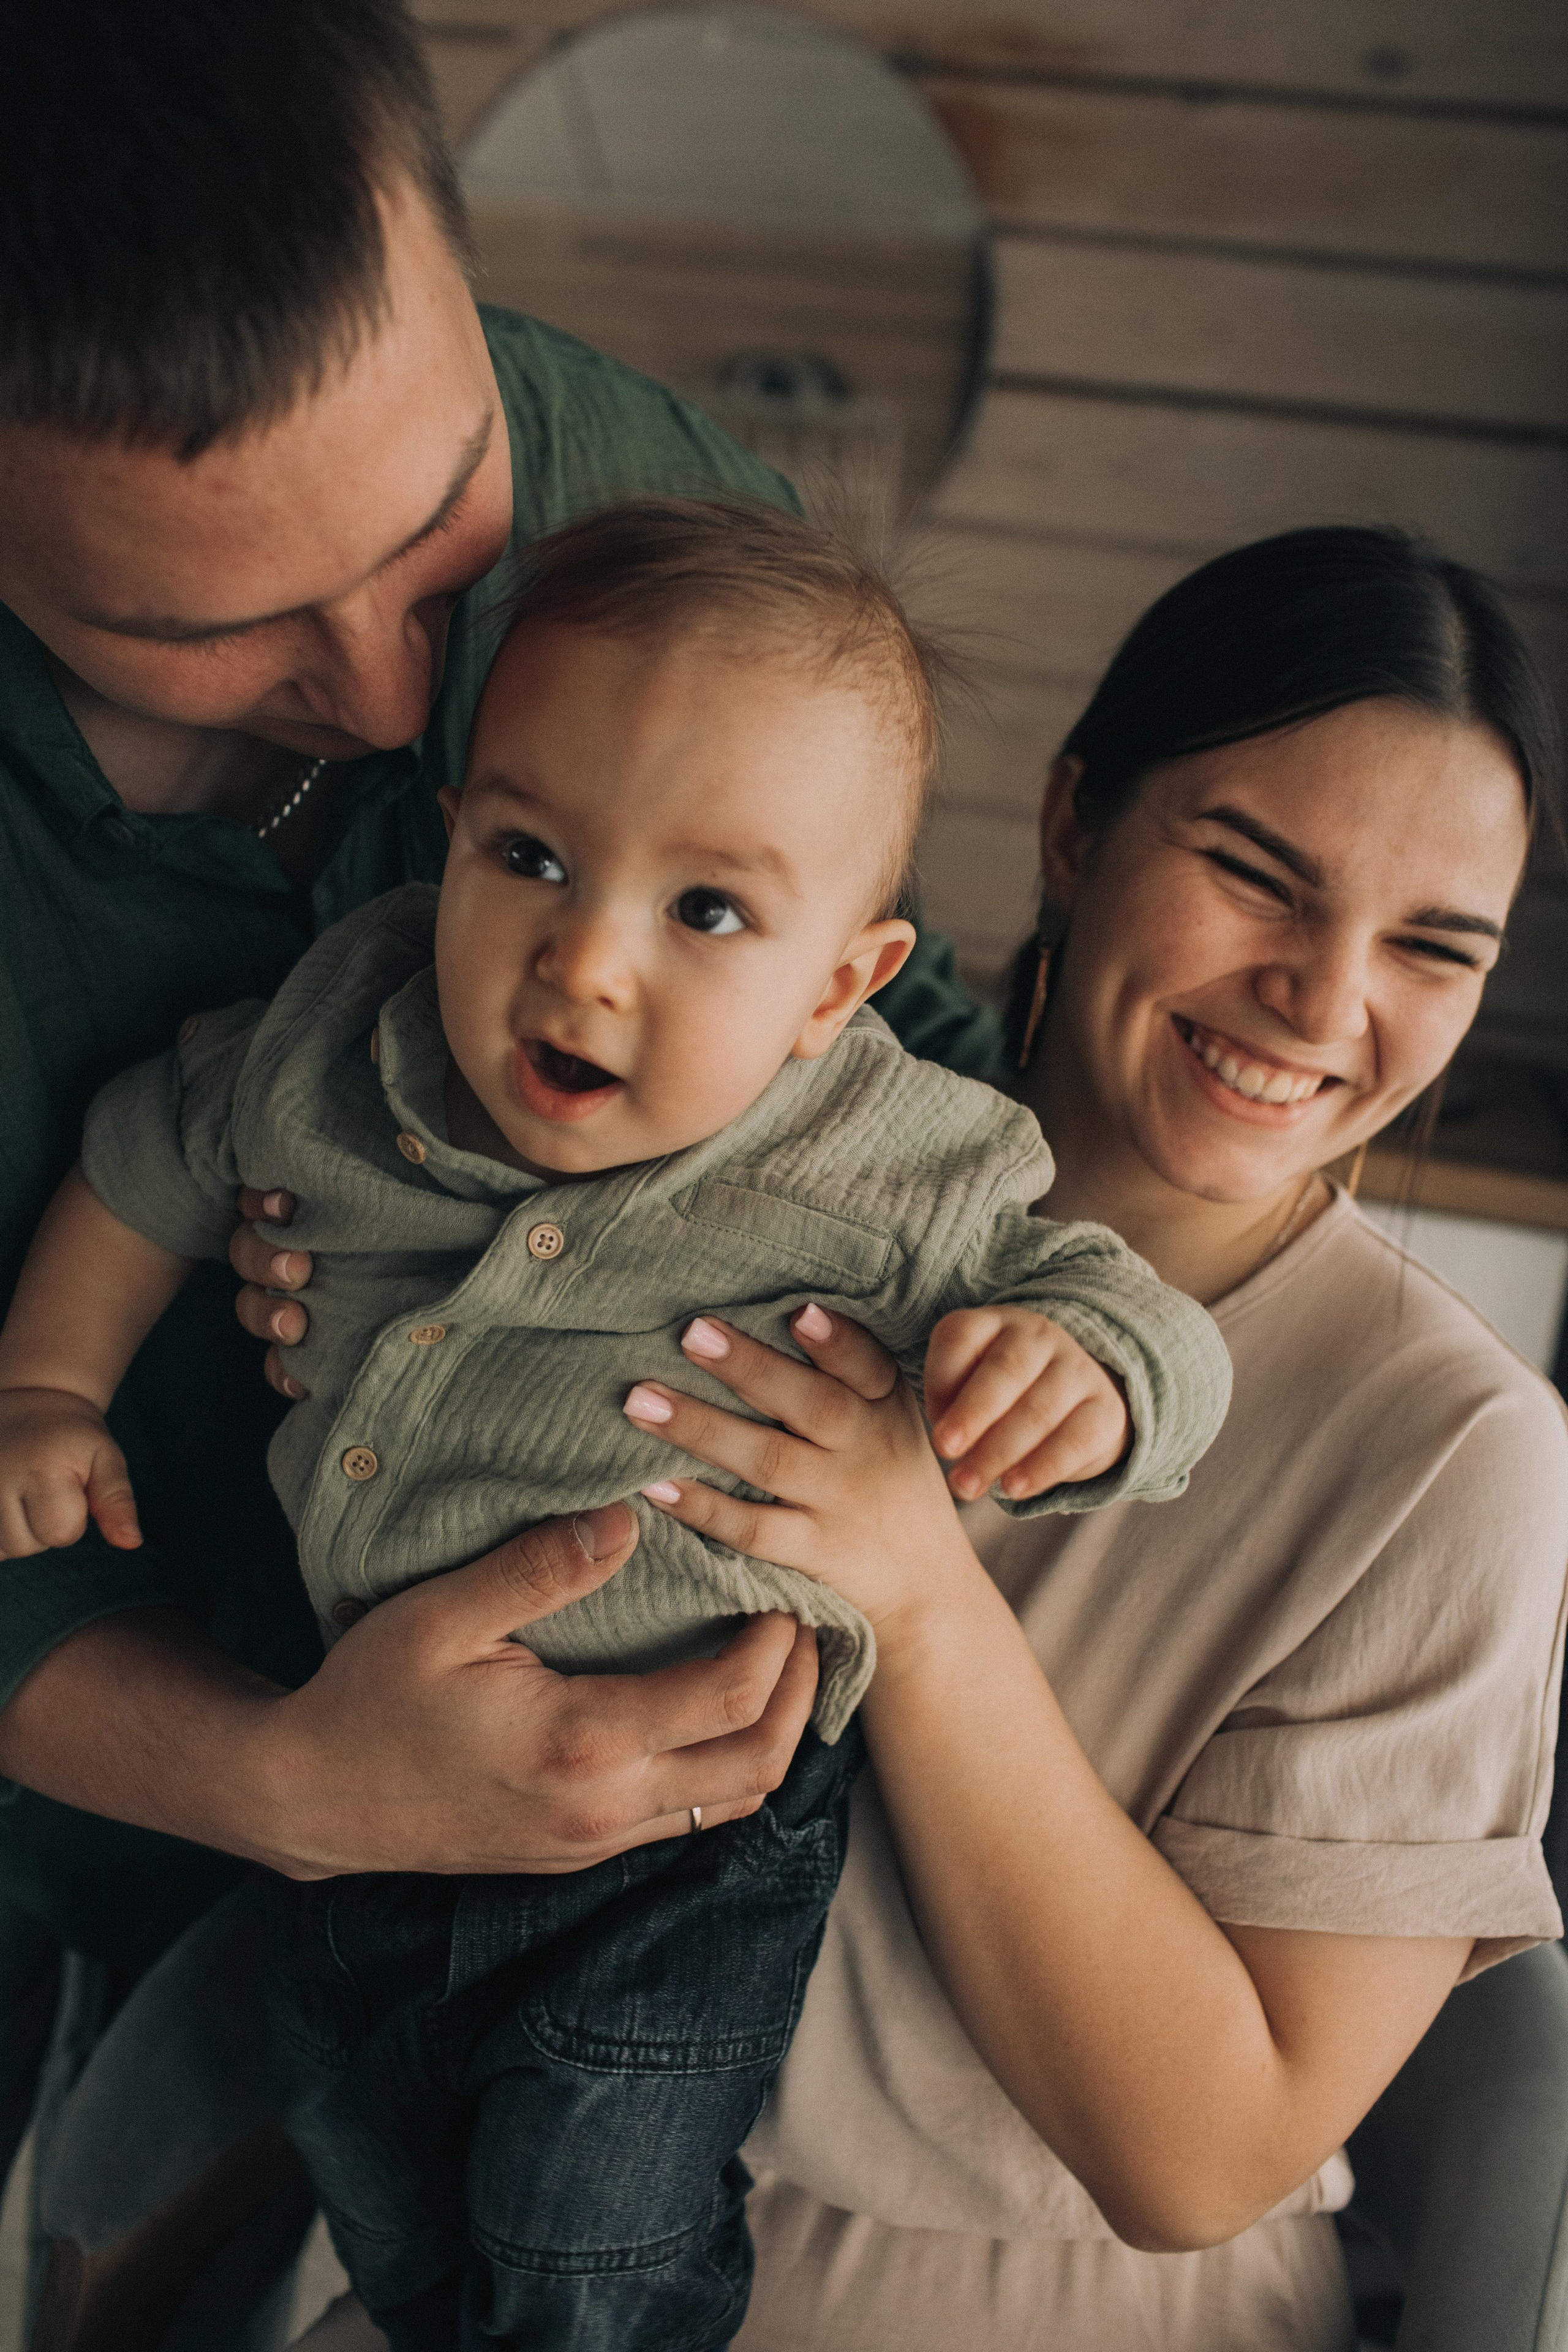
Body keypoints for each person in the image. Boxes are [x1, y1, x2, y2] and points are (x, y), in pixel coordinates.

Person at [0, 498, 1231, 2348]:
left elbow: (1127, 1308)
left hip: (683, 1841)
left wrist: (1090, 1370)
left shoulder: (887, 1158)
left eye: (707, 909)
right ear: (451, 841)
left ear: (840, 985)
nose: (585, 961)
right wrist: (47, 1384)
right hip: (361, 1793)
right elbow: (142, 1165)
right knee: (393, 2208)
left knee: (596, 2249)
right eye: (532, 856)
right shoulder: (348, 1029)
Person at [0, 0, 994, 2200]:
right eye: (218, 625)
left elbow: (904, 1074)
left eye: (447, 526)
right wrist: (288, 1785)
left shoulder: (627, 489)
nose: (392, 702)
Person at [582, 526, 1567, 2350]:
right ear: (1072, 824)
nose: (1327, 1001)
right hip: (528, 2212)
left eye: (1433, 949)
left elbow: (1201, 2160)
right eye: (1258, 876)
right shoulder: (742, 1160)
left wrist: (926, 1594)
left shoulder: (1456, 1454)